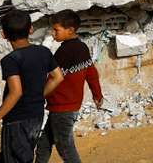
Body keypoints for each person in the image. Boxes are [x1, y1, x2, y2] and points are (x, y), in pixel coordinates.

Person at [0, 10, 64, 163]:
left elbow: (16, 92)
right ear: (30, 29)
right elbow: (58, 77)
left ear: (3, 34)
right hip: (36, 115)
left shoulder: (11, 60)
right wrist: (38, 95)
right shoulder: (43, 52)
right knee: (11, 156)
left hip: (17, 119)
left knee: (18, 158)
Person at [36, 10, 103, 163]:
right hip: (64, 107)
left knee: (65, 147)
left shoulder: (65, 51)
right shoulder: (81, 47)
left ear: (70, 30)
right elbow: (91, 73)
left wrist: (39, 96)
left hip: (63, 107)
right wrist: (97, 95)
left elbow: (54, 78)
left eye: (56, 30)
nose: (53, 34)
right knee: (44, 144)